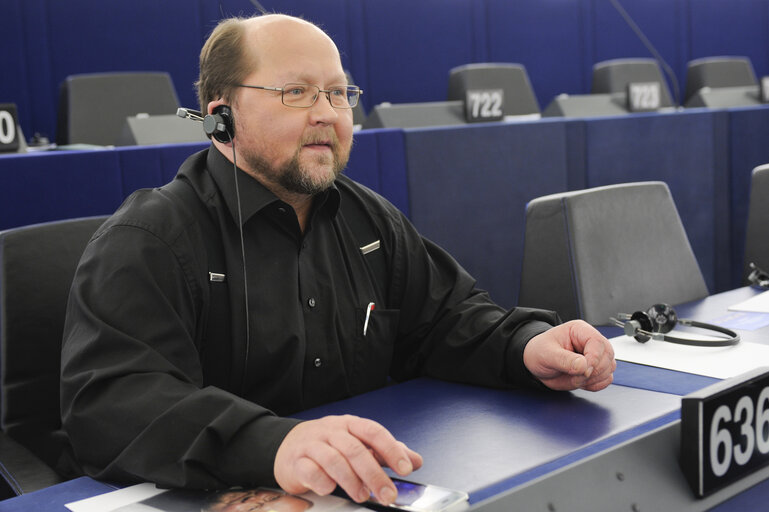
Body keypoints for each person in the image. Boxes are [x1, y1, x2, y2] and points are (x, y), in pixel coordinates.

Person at [60, 13, 615, 509]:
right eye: (298, 93)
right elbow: (114, 403)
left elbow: (446, 321)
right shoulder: (149, 239)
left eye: (338, 93)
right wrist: (274, 443)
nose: (328, 114)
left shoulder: (366, 219)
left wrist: (525, 347)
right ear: (221, 117)